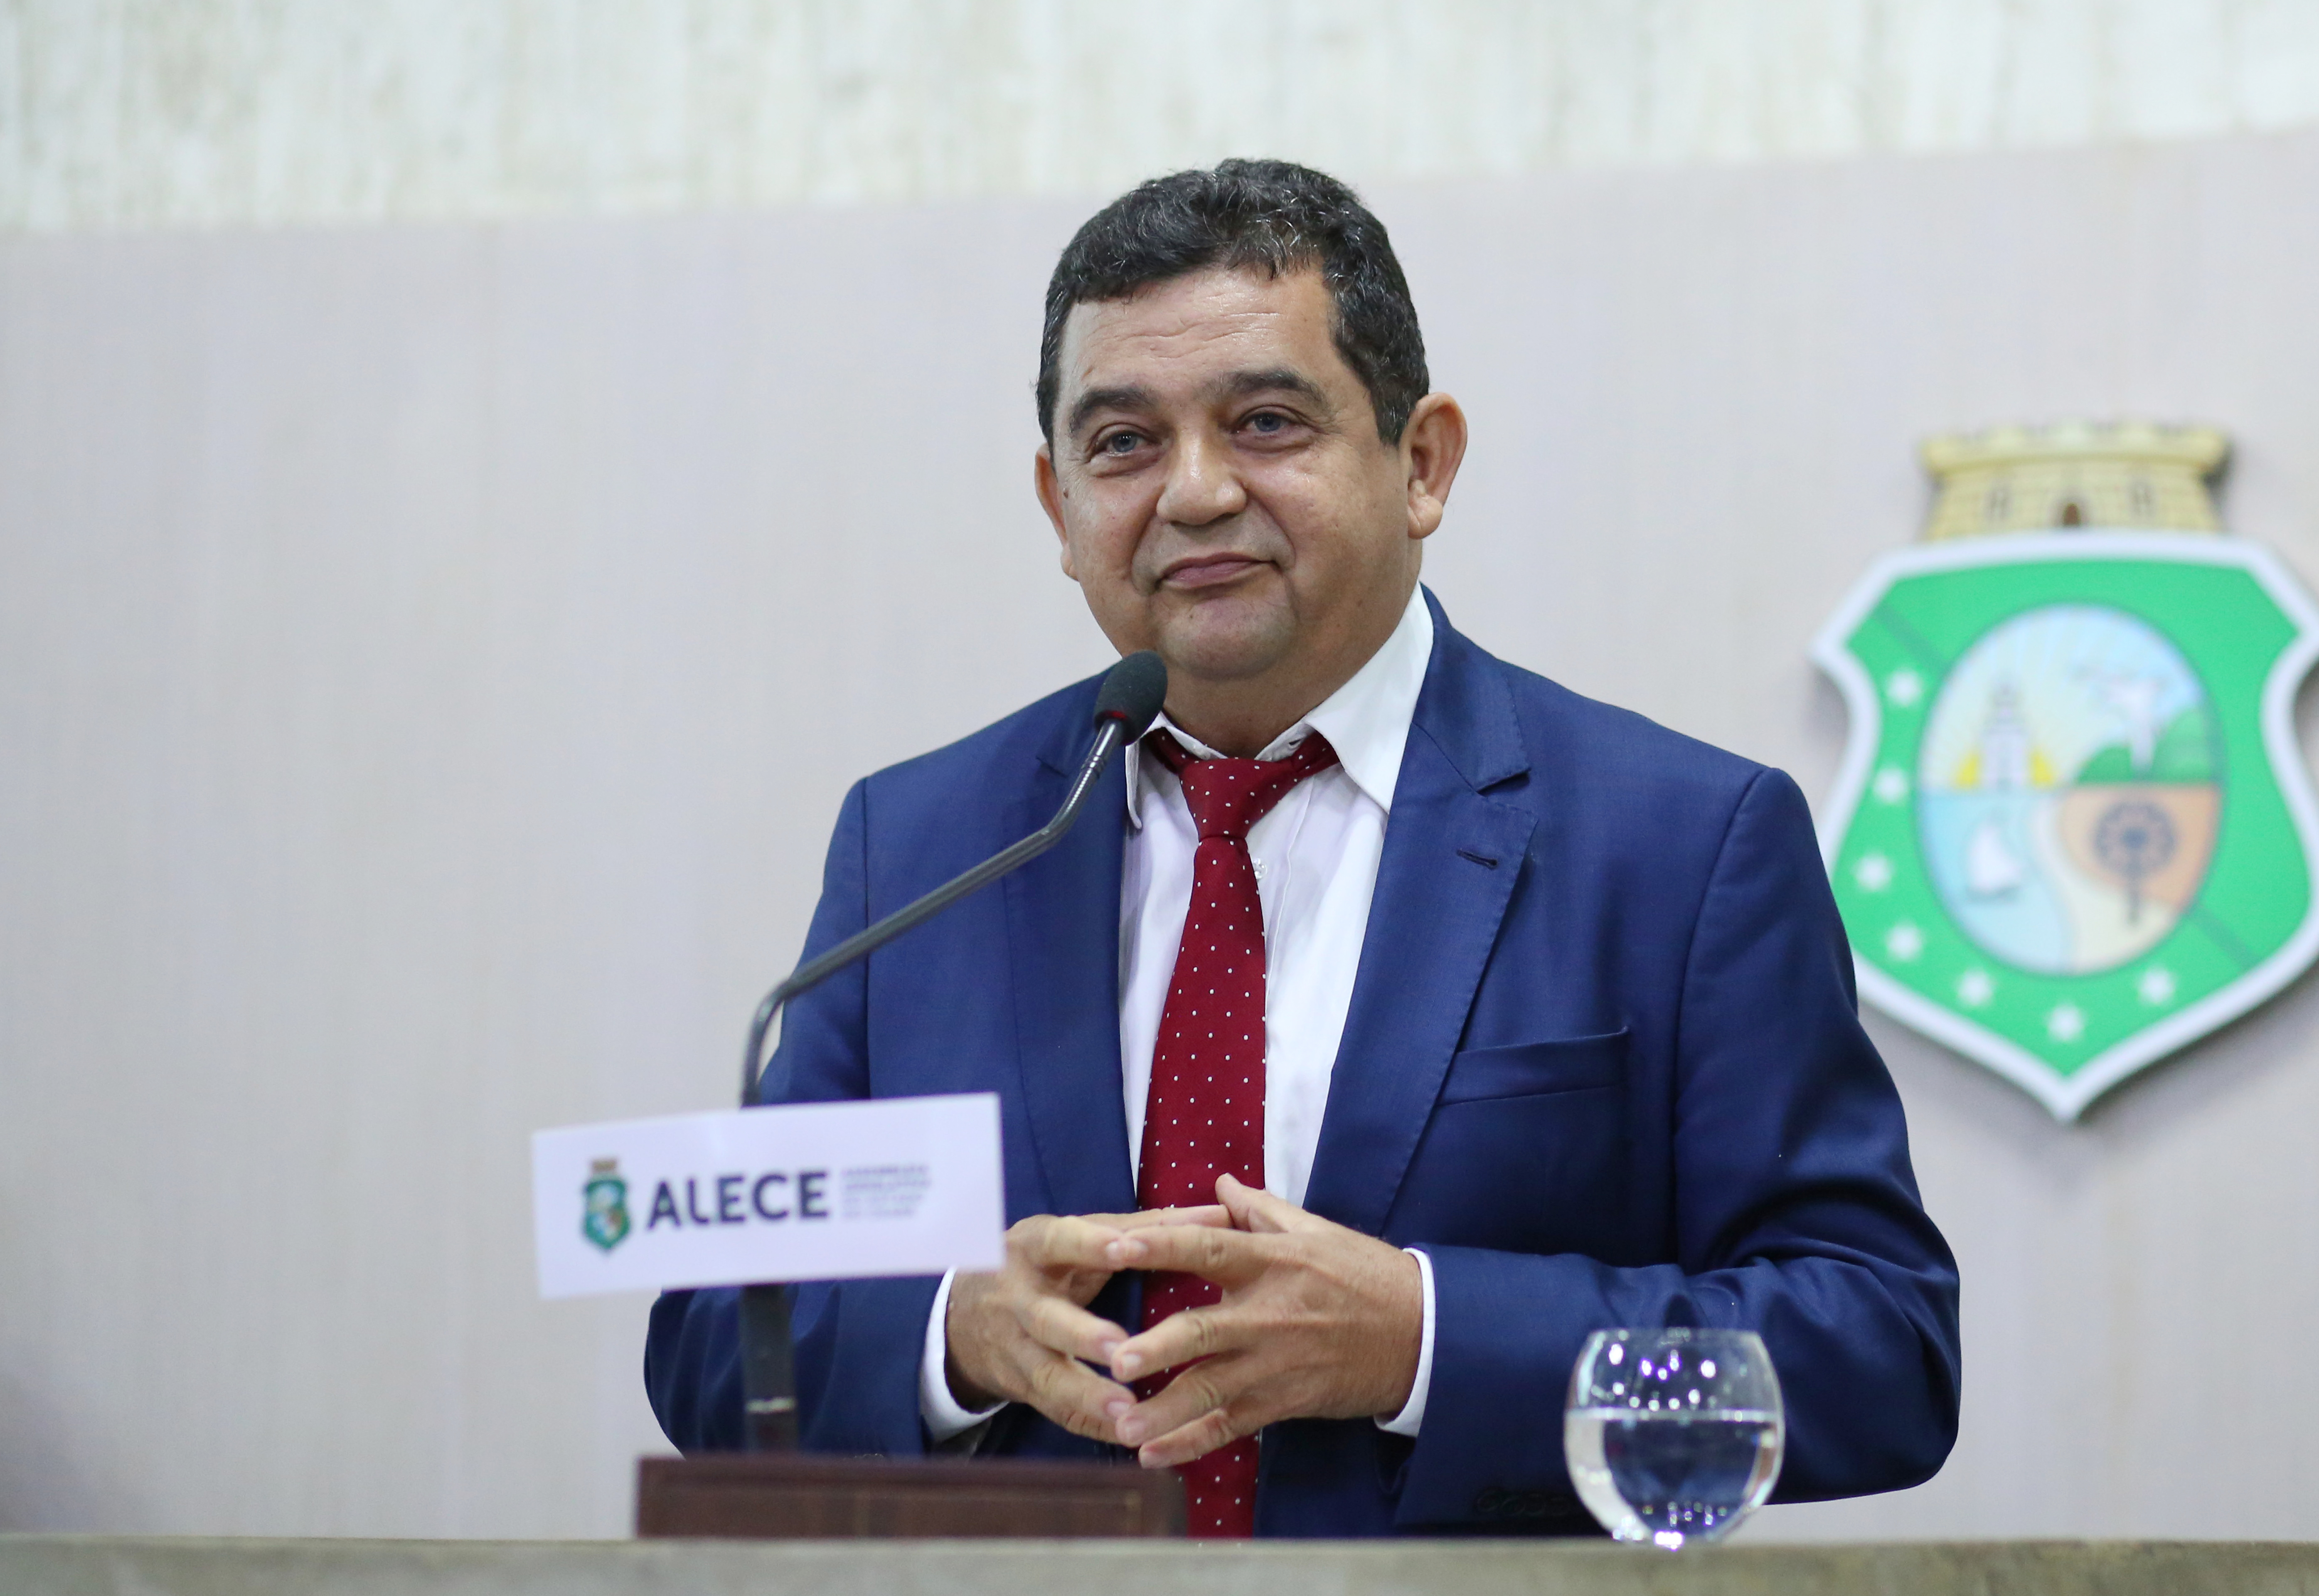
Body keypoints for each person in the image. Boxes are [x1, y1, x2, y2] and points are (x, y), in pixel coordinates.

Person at [647, 158, 1960, 1537]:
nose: (1195, 492)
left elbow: (1874, 1355)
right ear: (1058, 507)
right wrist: (952, 1339)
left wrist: (1428, 1341)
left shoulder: (1681, 846)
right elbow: (716, 1344)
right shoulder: (923, 851)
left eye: (1266, 423)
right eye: (1124, 444)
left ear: (1422, 464)